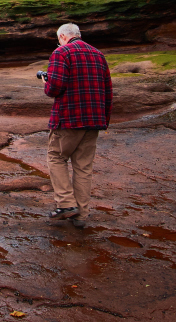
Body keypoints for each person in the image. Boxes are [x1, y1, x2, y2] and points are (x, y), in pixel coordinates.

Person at [40, 23, 112, 228]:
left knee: (56, 157)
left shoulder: (61, 53)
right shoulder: (99, 55)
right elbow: (108, 90)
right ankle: (81, 215)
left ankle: (65, 204)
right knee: (83, 167)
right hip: (95, 120)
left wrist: (46, 82)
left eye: (58, 39)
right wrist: (104, 121)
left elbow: (54, 88)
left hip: (68, 118)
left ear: (62, 36)